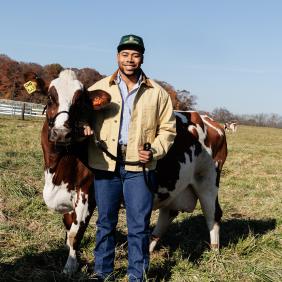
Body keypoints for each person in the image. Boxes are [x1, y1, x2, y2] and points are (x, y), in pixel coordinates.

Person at [85, 34, 176, 281]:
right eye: (125, 54)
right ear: (117, 57)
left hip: (140, 167)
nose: (130, 59)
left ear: (142, 58)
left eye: (135, 55)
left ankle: (137, 275)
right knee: (105, 222)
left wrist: (155, 150)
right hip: (106, 164)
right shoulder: (97, 89)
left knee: (138, 226)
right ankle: (102, 272)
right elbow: (83, 117)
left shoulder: (158, 93)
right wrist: (85, 125)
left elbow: (168, 130)